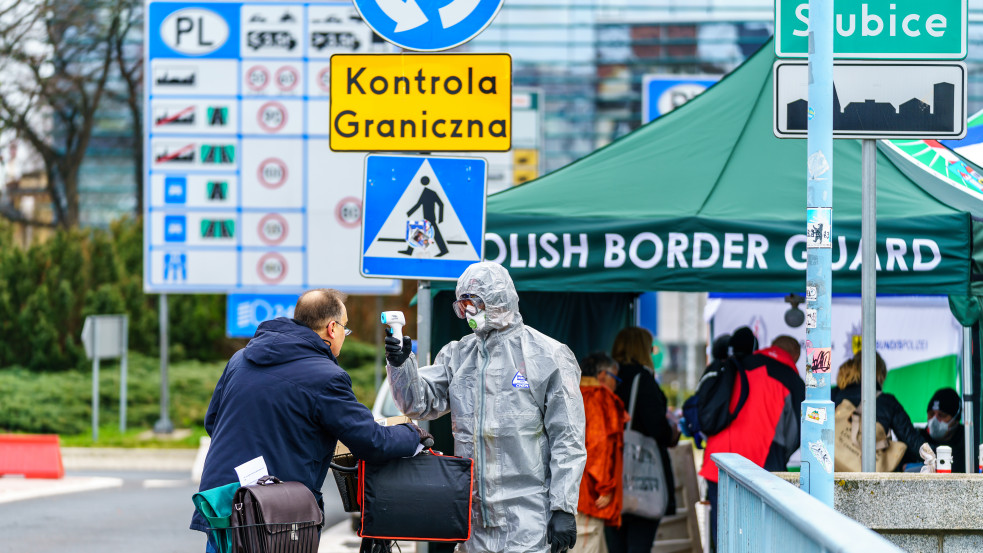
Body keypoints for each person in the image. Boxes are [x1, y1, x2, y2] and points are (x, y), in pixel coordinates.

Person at [191, 289, 429, 552]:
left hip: (224, 504)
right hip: (278, 515)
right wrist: (413, 434)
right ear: (332, 328)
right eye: (345, 329)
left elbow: (213, 421)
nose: (344, 335)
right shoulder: (326, 376)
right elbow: (371, 441)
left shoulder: (240, 359)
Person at [384, 261, 586, 553]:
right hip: (474, 522)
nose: (467, 312)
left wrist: (563, 507)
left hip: (529, 517)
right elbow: (418, 403)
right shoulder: (458, 355)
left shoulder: (548, 356)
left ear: (498, 299)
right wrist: (401, 364)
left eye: (473, 302)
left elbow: (567, 438)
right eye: (462, 304)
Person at [699, 330, 805, 551]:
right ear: (795, 355)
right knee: (758, 538)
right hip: (761, 468)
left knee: (723, 535)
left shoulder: (739, 363)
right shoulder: (792, 380)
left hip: (717, 462)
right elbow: (796, 434)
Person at [605, 326, 677, 553]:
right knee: (639, 545)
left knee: (615, 546)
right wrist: (672, 430)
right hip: (641, 478)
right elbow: (658, 428)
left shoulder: (606, 377)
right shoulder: (642, 380)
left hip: (608, 475)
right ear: (642, 349)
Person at [832, 351, 925, 468]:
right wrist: (940, 454)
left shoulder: (833, 394)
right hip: (867, 475)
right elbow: (913, 442)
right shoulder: (887, 402)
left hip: (831, 473)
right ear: (880, 374)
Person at [577, 352, 630, 553]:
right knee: (586, 543)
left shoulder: (568, 393)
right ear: (603, 375)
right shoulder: (599, 397)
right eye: (615, 378)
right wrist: (605, 486)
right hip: (588, 493)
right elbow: (598, 444)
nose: (617, 385)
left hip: (566, 489)